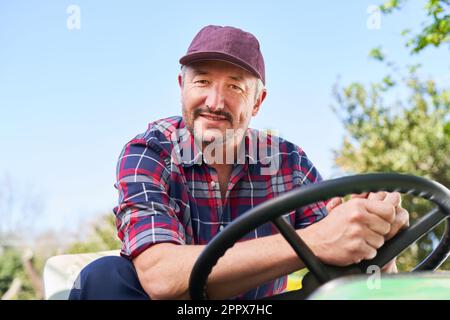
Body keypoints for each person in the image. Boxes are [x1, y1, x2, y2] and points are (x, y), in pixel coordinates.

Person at [69, 25, 409, 300]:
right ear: (182, 87)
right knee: (104, 277)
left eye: (235, 87)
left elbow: (348, 265)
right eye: (202, 81)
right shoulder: (149, 152)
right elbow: (160, 277)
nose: (215, 102)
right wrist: (317, 240)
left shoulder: (288, 162)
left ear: (258, 102)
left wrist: (375, 233)